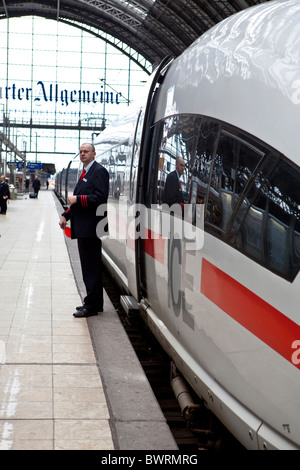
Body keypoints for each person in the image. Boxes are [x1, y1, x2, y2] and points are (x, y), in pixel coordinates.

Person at [59, 142, 109, 318]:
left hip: (91, 228)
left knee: (90, 268)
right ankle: (95, 303)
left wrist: (78, 199)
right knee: (89, 266)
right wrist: (65, 215)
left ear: (94, 154)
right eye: (80, 152)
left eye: (86, 151)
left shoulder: (99, 171)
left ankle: (91, 306)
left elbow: (101, 197)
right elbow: (76, 202)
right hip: (84, 228)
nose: (82, 154)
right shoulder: (85, 173)